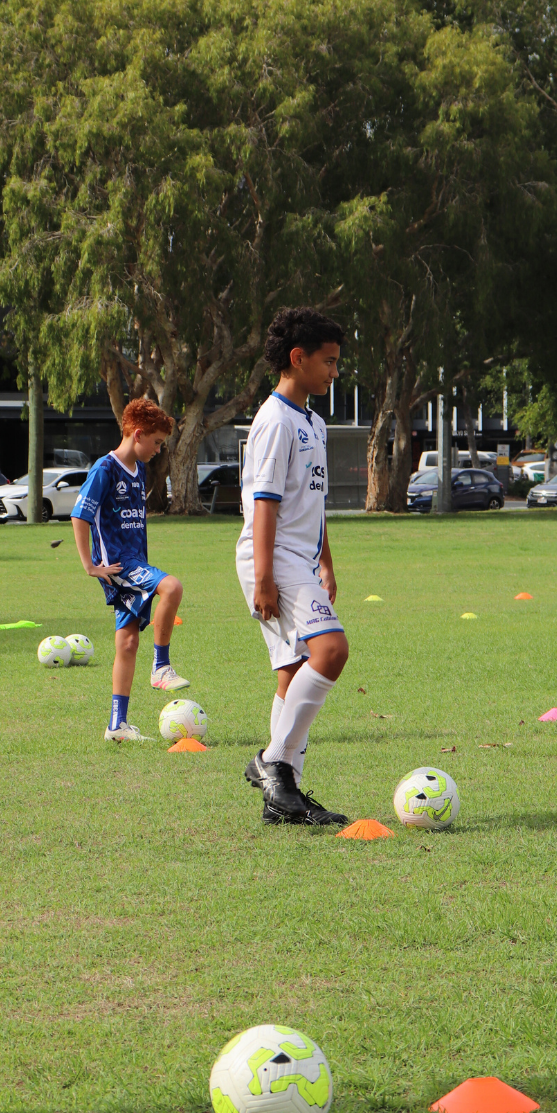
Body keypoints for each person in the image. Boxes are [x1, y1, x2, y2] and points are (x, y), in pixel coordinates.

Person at [237, 308, 350, 826]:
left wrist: (325, 559)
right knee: (331, 650)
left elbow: (315, 502)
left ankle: (286, 800)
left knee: (291, 673)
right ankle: (273, 762)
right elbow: (264, 502)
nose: (333, 372)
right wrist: (263, 576)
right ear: (297, 359)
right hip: (273, 554)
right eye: (327, 362)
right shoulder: (274, 420)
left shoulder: (314, 422)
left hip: (299, 557)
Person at [70, 398, 189, 742]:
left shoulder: (140, 470)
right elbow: (80, 515)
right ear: (137, 434)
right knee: (172, 587)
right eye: (156, 442)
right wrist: (90, 566)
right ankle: (161, 667)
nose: (158, 450)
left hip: (134, 560)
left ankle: (117, 726)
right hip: (120, 565)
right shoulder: (105, 469)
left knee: (127, 642)